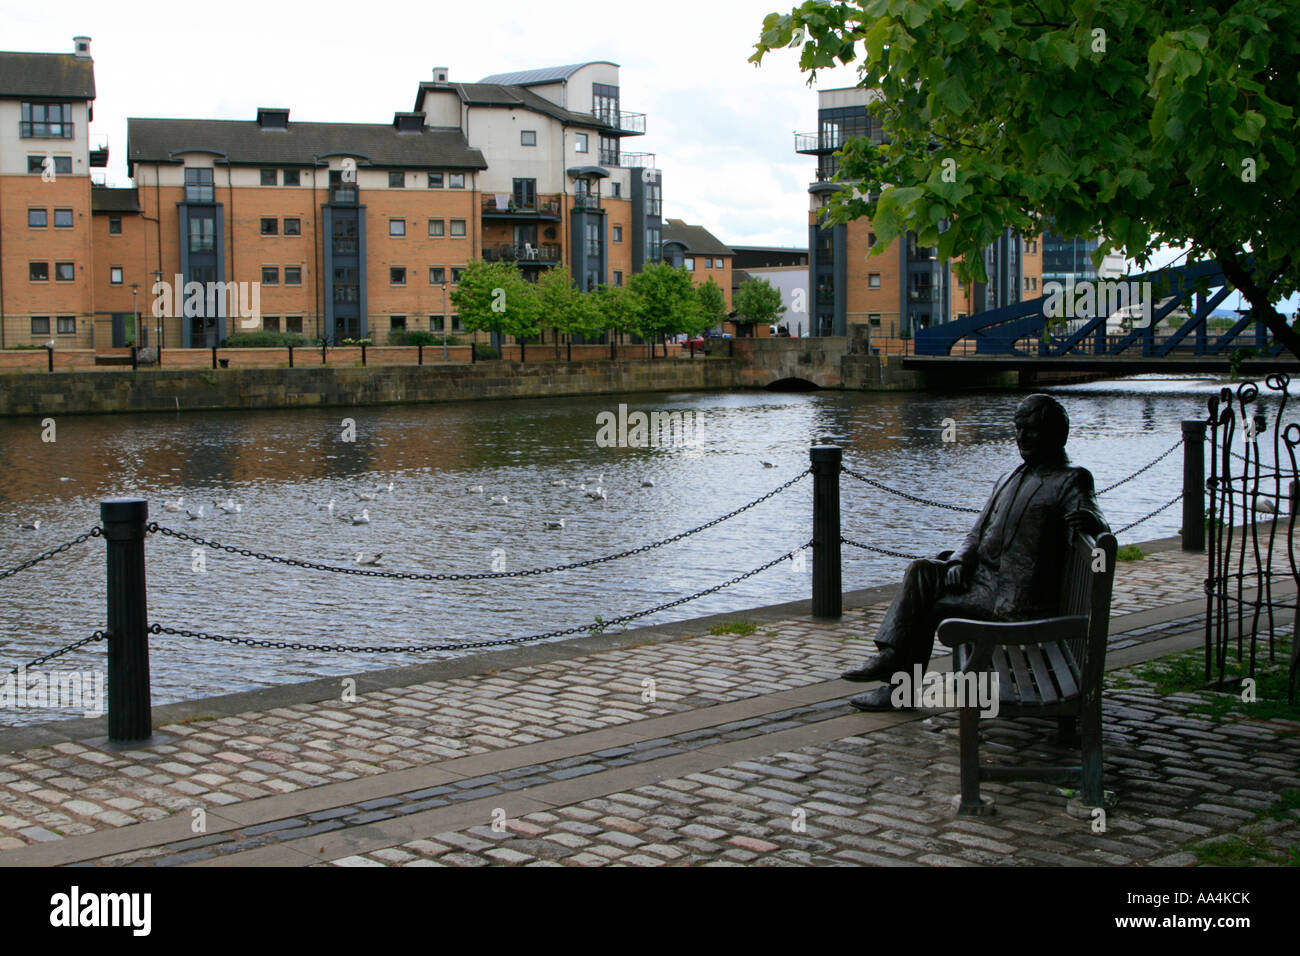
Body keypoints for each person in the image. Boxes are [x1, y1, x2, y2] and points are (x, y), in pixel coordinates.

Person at [841, 394, 1109, 710]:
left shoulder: (1071, 478)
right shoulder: (1011, 475)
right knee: (922, 571)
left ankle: (898, 687)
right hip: (985, 580)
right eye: (1019, 429)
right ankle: (890, 657)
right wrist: (960, 560)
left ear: (1056, 434)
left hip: (1012, 603)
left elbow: (1095, 520)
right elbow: (976, 532)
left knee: (929, 607)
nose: (1022, 437)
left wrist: (1094, 522)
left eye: (1031, 430)